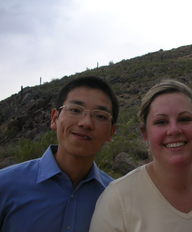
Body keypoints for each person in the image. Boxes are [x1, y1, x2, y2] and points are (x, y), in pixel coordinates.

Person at [89, 79, 192, 232]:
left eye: (184, 119)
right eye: (161, 122)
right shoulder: (117, 199)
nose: (174, 130)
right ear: (145, 133)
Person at [0, 76, 118, 232]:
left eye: (100, 116)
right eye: (75, 110)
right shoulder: (6, 185)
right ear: (55, 118)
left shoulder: (116, 197)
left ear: (111, 132)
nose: (86, 123)